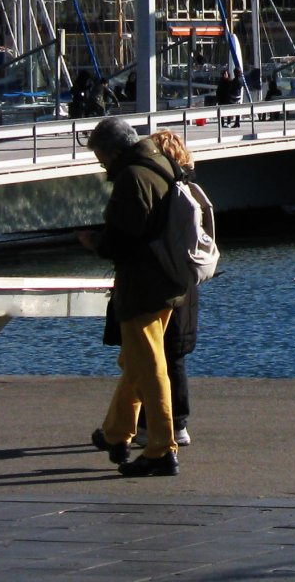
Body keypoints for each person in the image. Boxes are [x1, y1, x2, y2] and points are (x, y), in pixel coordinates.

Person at [80, 116, 186, 477]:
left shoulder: (131, 178)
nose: (100, 164)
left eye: (99, 157)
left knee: (150, 367)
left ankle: (161, 449)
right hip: (168, 281)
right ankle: (116, 433)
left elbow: (121, 240)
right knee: (137, 361)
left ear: (112, 152)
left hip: (142, 285)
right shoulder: (159, 161)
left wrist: (94, 241)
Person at [126, 130, 201, 448]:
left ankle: (153, 425)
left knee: (153, 358)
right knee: (175, 357)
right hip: (187, 281)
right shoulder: (192, 190)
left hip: (163, 282)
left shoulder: (160, 190)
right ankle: (178, 421)